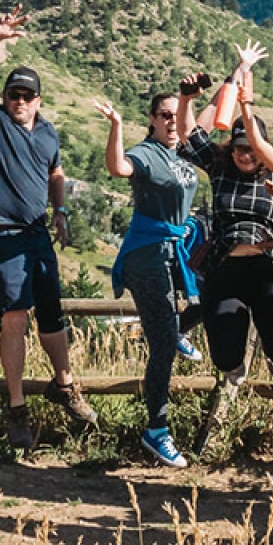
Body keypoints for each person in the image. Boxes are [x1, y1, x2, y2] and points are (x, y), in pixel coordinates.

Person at [0, 7, 97, 450]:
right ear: (4, 96)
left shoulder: (48, 133)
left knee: (51, 312)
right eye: (13, 93)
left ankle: (64, 384)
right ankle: (17, 408)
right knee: (15, 314)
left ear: (39, 99)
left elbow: (56, 173)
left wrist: (60, 211)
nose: (19, 100)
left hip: (36, 231)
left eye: (27, 95)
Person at [176, 43, 273, 450]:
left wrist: (247, 76)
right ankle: (244, 343)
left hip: (268, 268)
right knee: (227, 358)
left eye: (252, 147)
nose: (246, 154)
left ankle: (269, 341)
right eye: (239, 147)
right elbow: (188, 134)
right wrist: (188, 97)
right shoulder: (219, 167)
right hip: (226, 270)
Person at [95, 83, 202, 468]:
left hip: (176, 250)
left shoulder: (186, 153)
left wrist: (241, 73)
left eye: (177, 115)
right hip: (147, 253)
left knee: (219, 289)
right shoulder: (147, 153)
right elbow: (117, 167)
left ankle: (176, 331)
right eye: (165, 115)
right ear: (153, 121)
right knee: (160, 347)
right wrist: (116, 125)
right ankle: (156, 430)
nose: (173, 122)